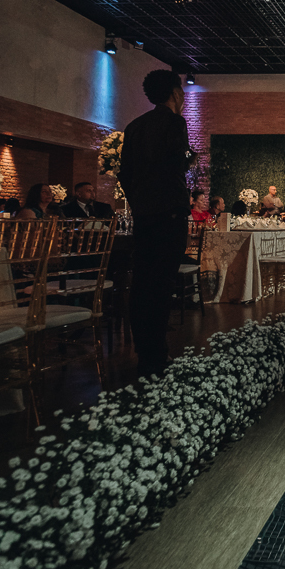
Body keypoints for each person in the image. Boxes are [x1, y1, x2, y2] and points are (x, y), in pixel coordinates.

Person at [118, 69, 194, 378]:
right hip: (169, 214)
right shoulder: (175, 122)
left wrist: (138, 204)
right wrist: (189, 160)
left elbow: (125, 173)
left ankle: (143, 351)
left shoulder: (134, 126)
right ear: (176, 94)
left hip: (144, 216)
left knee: (142, 284)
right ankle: (157, 356)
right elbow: (177, 162)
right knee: (162, 285)